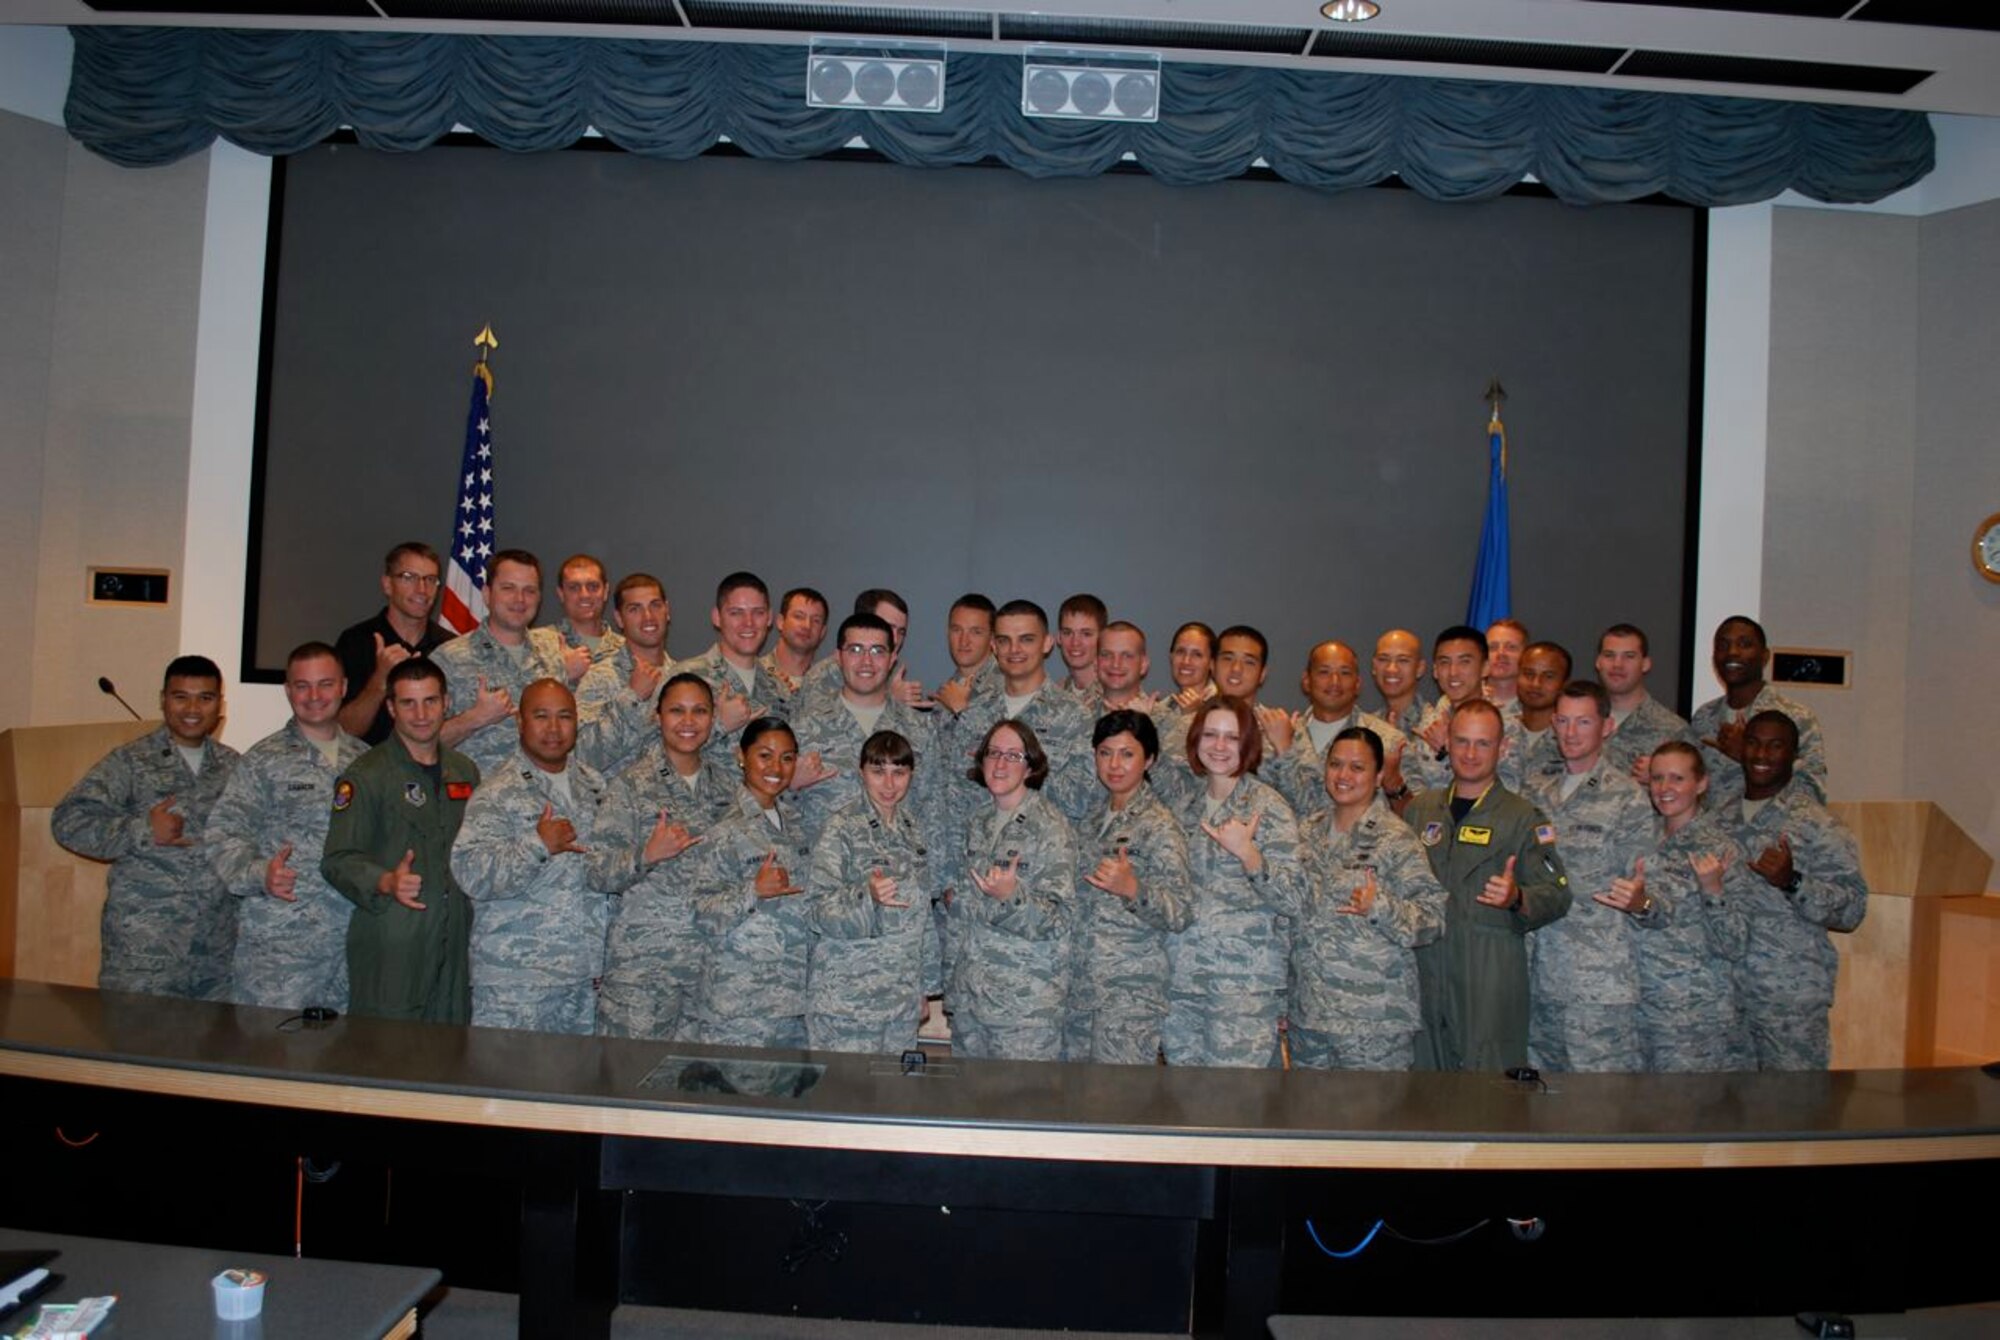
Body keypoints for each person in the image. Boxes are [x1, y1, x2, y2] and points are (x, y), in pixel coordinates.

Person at [52, 654, 240, 1001]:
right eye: (180, 696)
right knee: (135, 1051)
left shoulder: (235, 767)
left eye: (205, 697)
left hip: (216, 958)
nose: (192, 708)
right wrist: (141, 830)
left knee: (211, 1053)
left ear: (219, 704)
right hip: (145, 955)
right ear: (163, 700)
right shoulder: (130, 761)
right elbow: (69, 821)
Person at [1406, 698, 1571, 1072]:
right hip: (1425, 969)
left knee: (1488, 1089)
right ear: (1447, 741)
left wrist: (1517, 897)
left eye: (1483, 743)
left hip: (1488, 970)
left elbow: (1558, 894)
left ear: (1503, 748)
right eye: (1462, 741)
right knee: (1423, 1089)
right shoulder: (1421, 810)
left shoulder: (1522, 817)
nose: (1470, 753)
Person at [451, 679, 624, 1034]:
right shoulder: (497, 791)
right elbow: (469, 872)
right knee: (509, 1087)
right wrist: (536, 846)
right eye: (541, 716)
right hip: (517, 983)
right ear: (520, 723)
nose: (553, 728)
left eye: (564, 716)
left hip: (585, 976)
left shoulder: (593, 784)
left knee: (575, 1086)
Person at [207, 642, 367, 1011]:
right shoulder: (263, 761)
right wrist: (260, 873)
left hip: (351, 943)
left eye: (325, 684)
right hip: (281, 949)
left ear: (343, 687)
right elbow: (222, 833)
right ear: (288, 690)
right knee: (270, 1055)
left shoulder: (367, 762)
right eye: (302, 686)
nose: (314, 696)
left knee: (343, 1057)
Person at [320, 658, 479, 1023]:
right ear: (391, 707)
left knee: (447, 1057)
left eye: (430, 701)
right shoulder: (367, 775)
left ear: (446, 703)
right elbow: (337, 859)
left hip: (453, 942)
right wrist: (385, 880)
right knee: (385, 1058)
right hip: (393, 940)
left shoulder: (465, 771)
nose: (421, 714)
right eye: (408, 703)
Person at [1291, 726, 1446, 1070]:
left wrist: (1381, 908)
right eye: (1335, 764)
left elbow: (1433, 919)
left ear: (1378, 777)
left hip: (1373, 1023)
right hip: (1310, 1019)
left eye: (1357, 768)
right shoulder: (1306, 831)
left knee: (1369, 1121)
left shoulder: (1396, 839)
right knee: (1304, 1120)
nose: (1343, 775)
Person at [594, 673, 738, 1040]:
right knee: (629, 1084)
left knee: (695, 1088)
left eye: (699, 711)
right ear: (657, 717)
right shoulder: (629, 785)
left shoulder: (730, 787)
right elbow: (595, 871)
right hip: (644, 973)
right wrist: (645, 855)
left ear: (712, 718)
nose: (688, 722)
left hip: (708, 971)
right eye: (676, 711)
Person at [1164, 695, 1305, 1068]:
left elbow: (1295, 898)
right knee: (1185, 1106)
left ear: (1249, 744)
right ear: (1195, 740)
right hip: (1183, 981)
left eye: (1232, 737)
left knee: (1233, 1107)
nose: (1220, 746)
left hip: (1243, 986)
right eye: (1211, 735)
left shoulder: (1267, 806)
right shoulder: (1183, 806)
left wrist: (1250, 855)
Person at [1720, 710, 1866, 1069]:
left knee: (1793, 1110)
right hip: (1723, 999)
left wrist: (1794, 881)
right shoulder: (1716, 818)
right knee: (1728, 1114)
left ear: (1794, 757)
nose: (1761, 756)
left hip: (1788, 1001)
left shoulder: (1818, 824)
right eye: (1753, 744)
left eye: (1775, 747)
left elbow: (1853, 909)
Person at [1522, 681, 1654, 1073]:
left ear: (1606, 727)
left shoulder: (1628, 798)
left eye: (1583, 722)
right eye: (1562, 721)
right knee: (1541, 1102)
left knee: (1600, 1109)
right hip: (1536, 975)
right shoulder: (1534, 790)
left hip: (1596, 983)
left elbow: (1649, 893)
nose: (1570, 732)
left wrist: (1642, 901)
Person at [1596, 741, 1750, 1072]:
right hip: (1635, 1007)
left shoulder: (1721, 850)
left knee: (1683, 1117)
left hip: (1690, 1017)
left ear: (1701, 784)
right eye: (1657, 778)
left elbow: (1735, 943)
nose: (1665, 789)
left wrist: (1713, 890)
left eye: (1677, 779)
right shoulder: (1639, 836)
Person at [943, 719, 1078, 1061]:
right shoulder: (979, 822)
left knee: (1019, 1107)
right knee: (967, 1108)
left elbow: (1059, 917)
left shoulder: (1050, 826)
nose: (1000, 764)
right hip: (971, 999)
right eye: (993, 753)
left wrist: (1010, 898)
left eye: (1013, 755)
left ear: (1031, 767)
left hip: (1023, 1009)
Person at [1066, 710, 1194, 1065]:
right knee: (1072, 1106)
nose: (1114, 764)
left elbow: (1181, 911)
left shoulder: (1160, 825)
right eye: (1105, 753)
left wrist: (1134, 889)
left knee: (1117, 1106)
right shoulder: (1091, 819)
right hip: (1081, 989)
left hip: (1128, 996)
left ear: (1149, 759)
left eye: (1127, 754)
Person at [804, 730, 941, 1054]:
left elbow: (923, 915)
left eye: (899, 772)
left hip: (899, 1000)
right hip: (849, 1002)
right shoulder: (841, 828)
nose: (889, 784)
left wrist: (925, 988)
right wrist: (866, 896)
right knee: (844, 1099)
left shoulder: (913, 830)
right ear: (861, 771)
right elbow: (815, 909)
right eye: (878, 772)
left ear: (911, 775)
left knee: (893, 1099)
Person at [689, 717, 816, 1048]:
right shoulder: (721, 824)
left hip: (792, 1003)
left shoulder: (796, 823)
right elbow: (700, 912)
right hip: (740, 1007)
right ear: (741, 756)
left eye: (787, 758)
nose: (776, 767)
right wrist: (753, 891)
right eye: (765, 755)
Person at [787, 612, 940, 848]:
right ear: (838, 657)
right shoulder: (803, 731)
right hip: (827, 876)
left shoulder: (919, 730)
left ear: (892, 659)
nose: (866, 662)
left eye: (878, 651)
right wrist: (790, 785)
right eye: (855, 650)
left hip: (900, 875)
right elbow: (773, 811)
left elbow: (934, 812)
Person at [940, 600, 1094, 823]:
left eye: (1026, 639)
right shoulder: (974, 713)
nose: (1014, 650)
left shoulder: (1075, 717)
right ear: (994, 646)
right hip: (978, 851)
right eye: (1004, 641)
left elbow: (1080, 803)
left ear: (1047, 643)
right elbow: (954, 797)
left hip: (1041, 850)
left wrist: (1022, 767)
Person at [431, 549, 569, 773]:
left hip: (548, 800)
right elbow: (416, 745)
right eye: (508, 588)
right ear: (486, 594)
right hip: (481, 802)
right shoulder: (449, 659)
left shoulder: (553, 653)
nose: (520, 599)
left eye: (530, 591)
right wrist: (474, 718)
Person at [1690, 616, 1828, 806]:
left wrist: (1748, 754)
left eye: (1744, 644)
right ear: (1714, 658)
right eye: (1723, 646)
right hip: (1713, 832)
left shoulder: (1796, 717)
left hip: (1769, 833)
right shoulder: (1703, 717)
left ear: (1764, 657)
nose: (1732, 652)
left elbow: (1814, 794)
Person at [1268, 639, 1406, 818]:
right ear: (1306, 681)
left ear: (1357, 684)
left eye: (1345, 673)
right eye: (1324, 672)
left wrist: (1394, 784)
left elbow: (1415, 816)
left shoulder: (1388, 740)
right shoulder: (1276, 738)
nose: (1334, 681)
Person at [334, 541, 454, 745]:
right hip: (366, 771)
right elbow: (343, 731)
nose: (422, 589)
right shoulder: (356, 642)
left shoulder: (450, 647)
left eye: (430, 579)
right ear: (387, 584)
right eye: (409, 578)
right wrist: (380, 680)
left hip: (430, 773)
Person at [573, 572, 674, 775]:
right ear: (619, 618)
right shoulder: (600, 678)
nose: (648, 617)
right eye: (635, 609)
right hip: (619, 804)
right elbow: (582, 757)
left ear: (667, 610)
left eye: (655, 605)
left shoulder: (684, 677)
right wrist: (631, 698)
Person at [676, 571, 782, 759]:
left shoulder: (779, 690)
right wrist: (719, 725)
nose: (748, 623)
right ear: (717, 617)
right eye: (736, 613)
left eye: (758, 613)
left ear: (769, 618)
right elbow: (655, 754)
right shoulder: (686, 677)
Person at [1594, 623, 1695, 784]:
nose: (1617, 664)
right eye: (1609, 655)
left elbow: (1693, 796)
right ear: (1598, 662)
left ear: (1645, 664)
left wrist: (1659, 778)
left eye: (1629, 656)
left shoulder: (1673, 730)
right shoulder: (1576, 721)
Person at [545, 552, 622, 678]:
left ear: (606, 591)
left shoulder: (625, 649)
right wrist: (563, 674)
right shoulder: (539, 644)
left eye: (593, 587)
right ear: (561, 594)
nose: (584, 595)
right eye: (574, 587)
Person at [760, 586, 829, 719]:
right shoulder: (755, 675)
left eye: (816, 620)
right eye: (799, 616)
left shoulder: (827, 687)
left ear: (822, 632)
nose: (807, 626)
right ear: (780, 622)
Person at [1510, 641, 1571, 783]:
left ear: (1564, 683)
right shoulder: (1495, 731)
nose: (1536, 683)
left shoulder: (1573, 740)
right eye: (1528, 674)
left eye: (1548, 676)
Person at [931, 593, 997, 717]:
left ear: (992, 638)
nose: (963, 641)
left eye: (976, 632)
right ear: (948, 633)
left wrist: (961, 711)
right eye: (956, 630)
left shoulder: (1008, 687)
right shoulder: (948, 689)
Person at [1369, 628, 1429, 740]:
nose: (1391, 669)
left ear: (1420, 668)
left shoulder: (1434, 726)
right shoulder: (1367, 726)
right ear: (1374, 667)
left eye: (1403, 660)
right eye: (1383, 659)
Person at [1093, 621, 1153, 712]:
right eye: (1106, 655)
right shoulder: (1071, 718)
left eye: (1127, 656)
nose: (1115, 664)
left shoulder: (1168, 723)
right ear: (1096, 663)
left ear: (1143, 665)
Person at [1056, 593, 1107, 700]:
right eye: (1067, 632)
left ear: (1103, 638)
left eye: (1086, 634)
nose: (1075, 642)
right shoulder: (1054, 695)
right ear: (1058, 638)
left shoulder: (1117, 693)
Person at [1484, 617, 1529, 715]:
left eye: (1511, 647)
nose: (1501, 653)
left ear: (1526, 654)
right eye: (1493, 647)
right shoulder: (1461, 699)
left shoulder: (1538, 705)